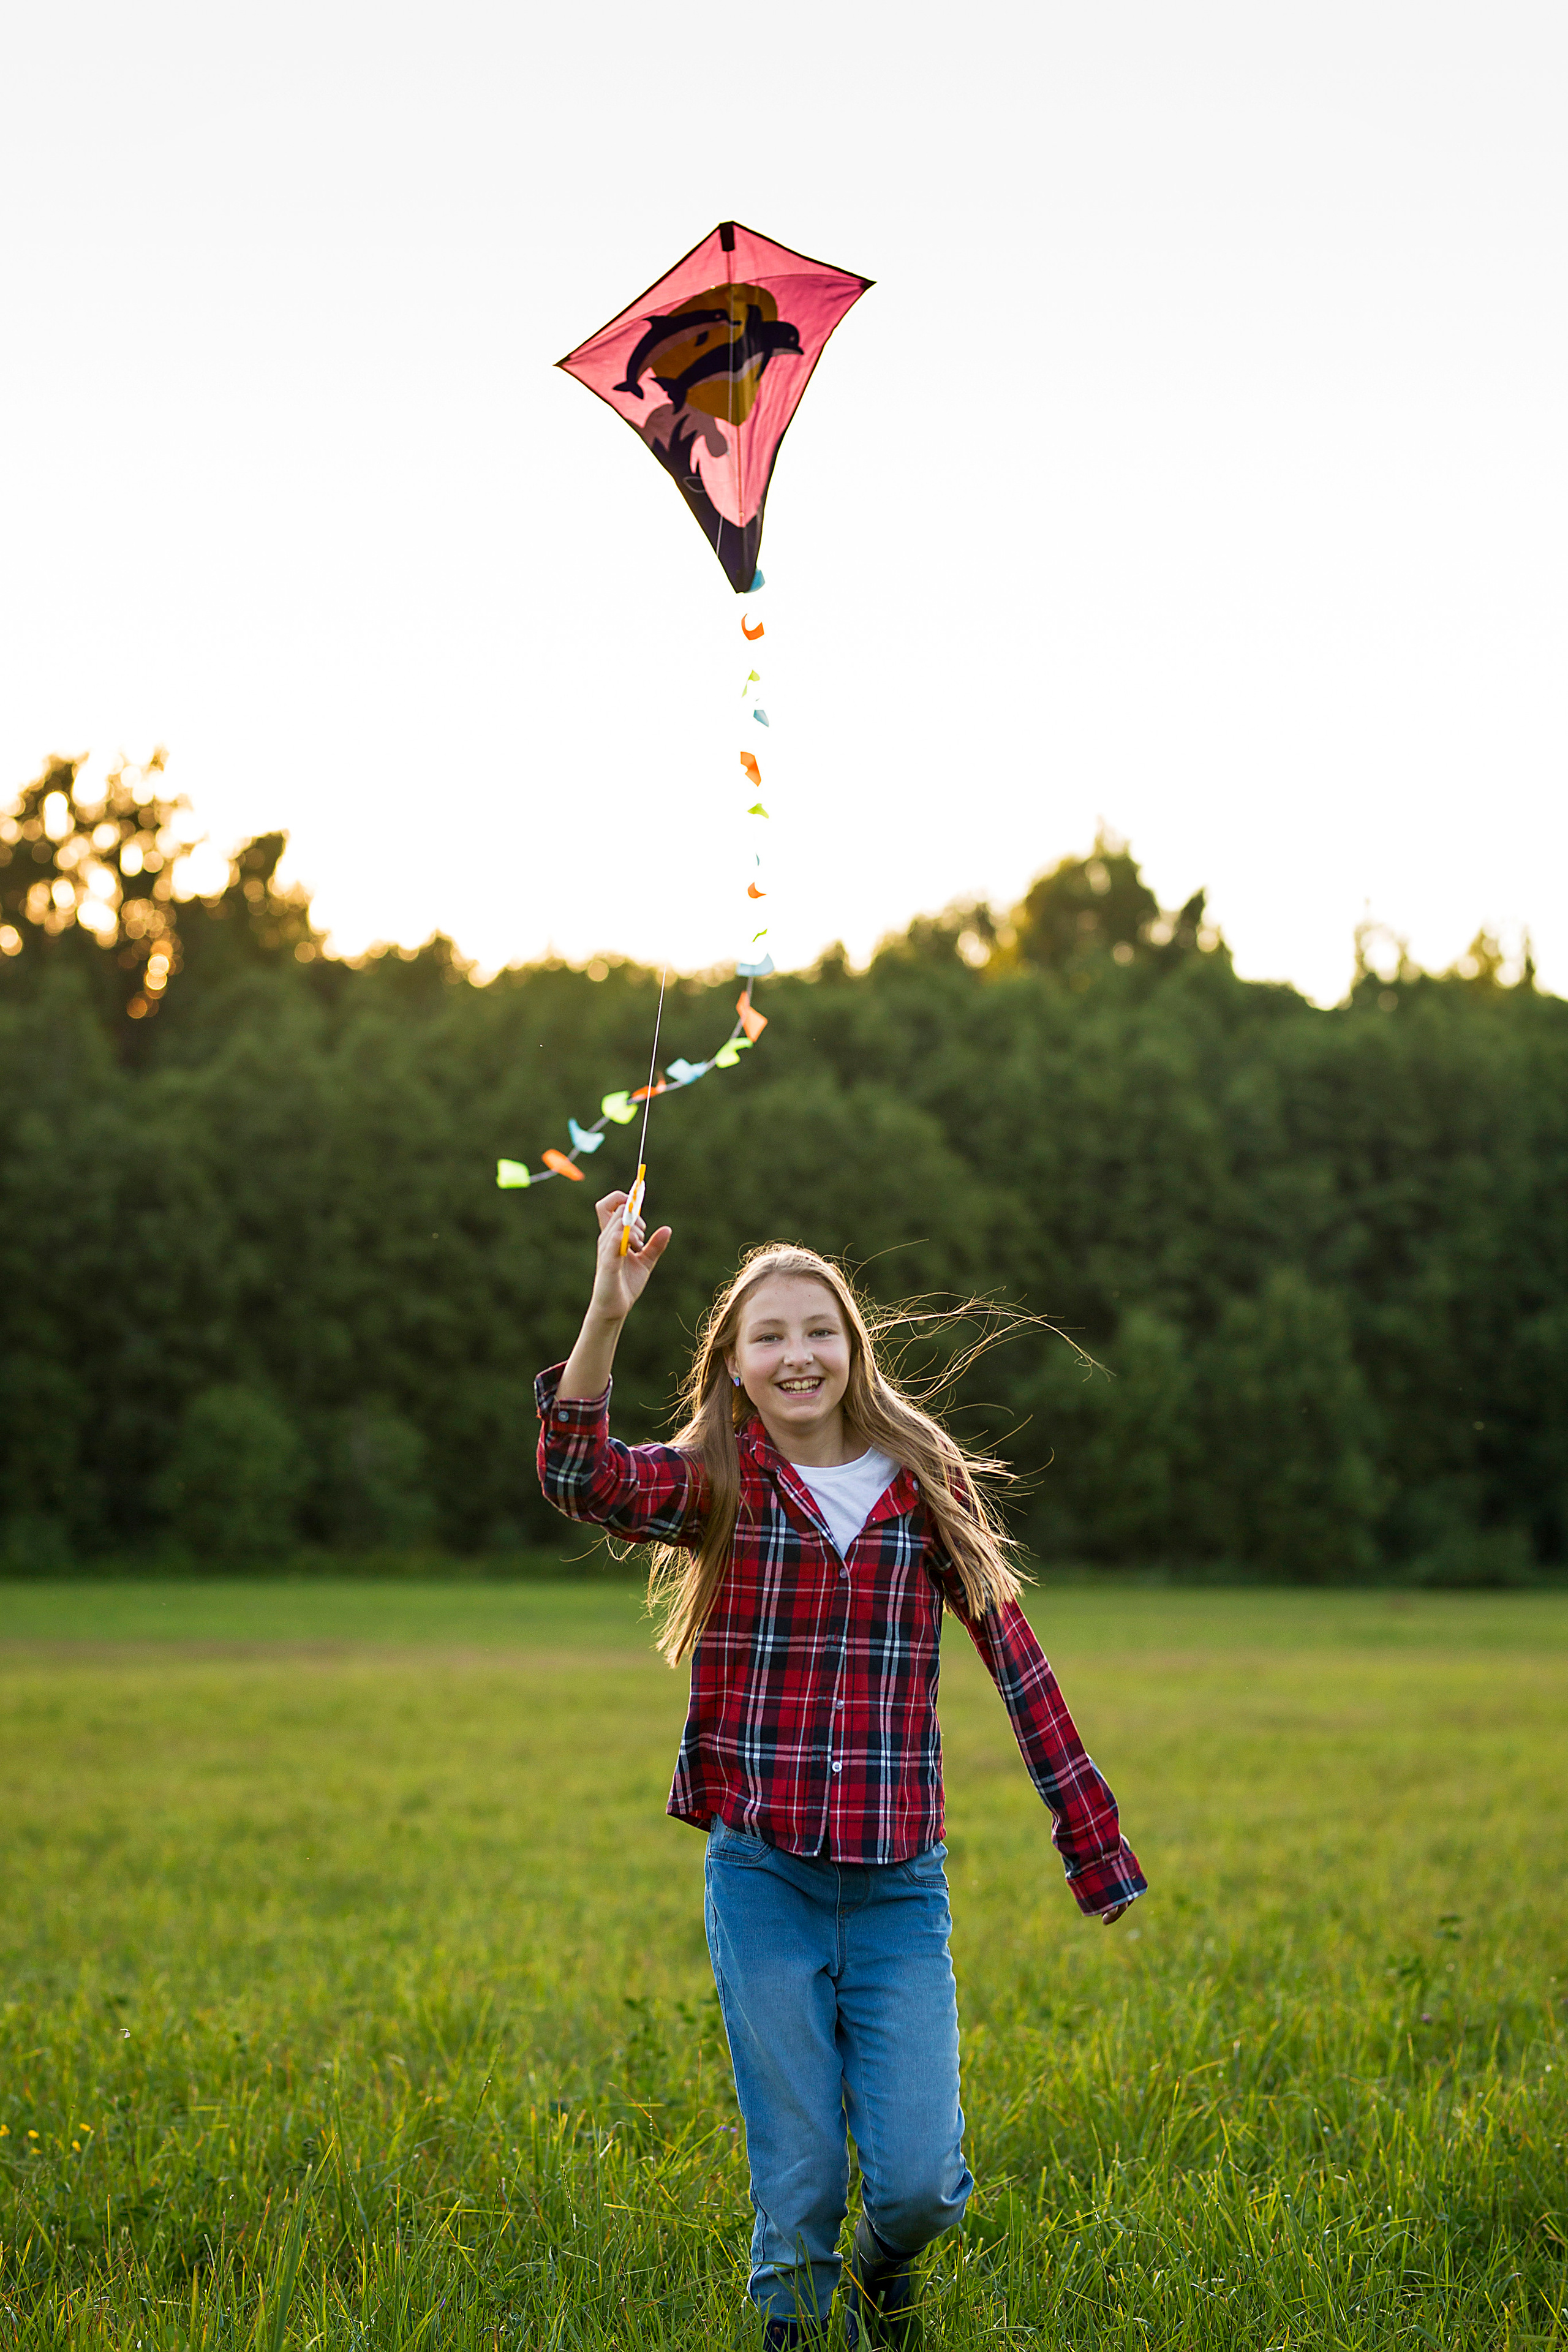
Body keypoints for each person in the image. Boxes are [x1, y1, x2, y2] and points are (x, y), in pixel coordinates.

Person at [537, 1193, 1147, 2349]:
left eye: (818, 1329)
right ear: (734, 1365)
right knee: (803, 2168)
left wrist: (1091, 1843)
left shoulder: (924, 1478)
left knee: (922, 2184)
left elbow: (1017, 1663)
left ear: (854, 1347)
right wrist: (605, 1317)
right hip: (762, 1877)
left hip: (897, 1886)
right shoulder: (717, 1478)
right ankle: (794, 2328)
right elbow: (582, 1481)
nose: (796, 1353)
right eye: (767, 1337)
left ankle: (882, 2271)